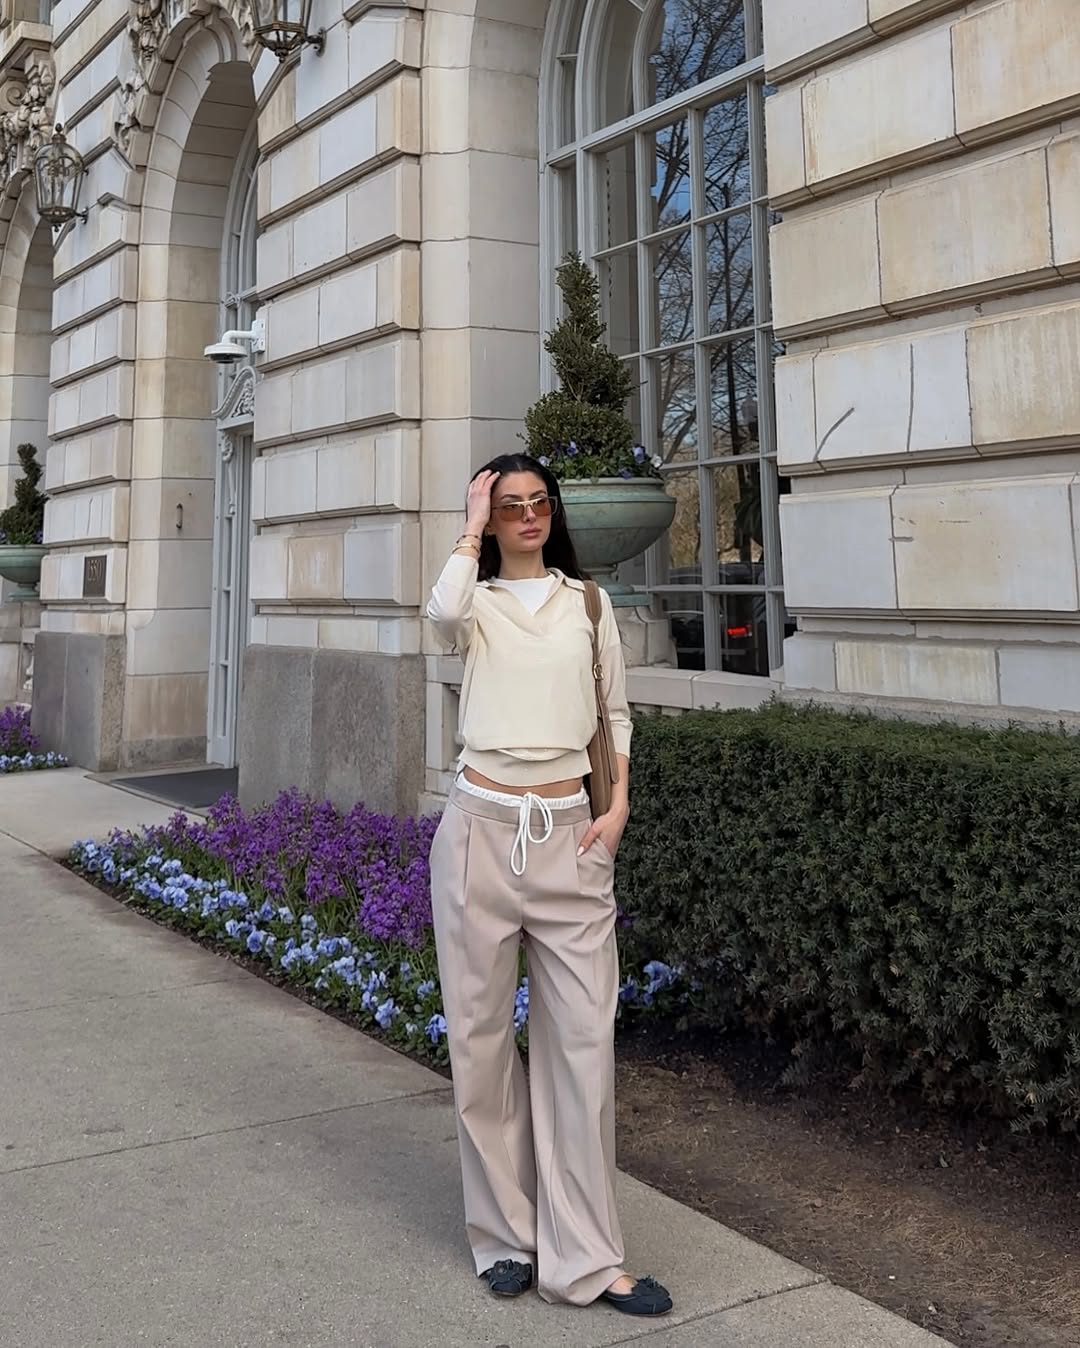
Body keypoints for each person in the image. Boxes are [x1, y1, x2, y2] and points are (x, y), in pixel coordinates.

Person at [425, 453, 673, 1318]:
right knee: (481, 1044)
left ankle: (588, 1258)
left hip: (572, 835)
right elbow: (438, 614)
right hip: (479, 834)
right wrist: (469, 527)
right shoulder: (476, 603)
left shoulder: (587, 604)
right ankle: (505, 1238)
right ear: (490, 518)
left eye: (539, 502)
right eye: (510, 505)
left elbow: (615, 713)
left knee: (583, 1047)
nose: (528, 515)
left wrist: (619, 806)